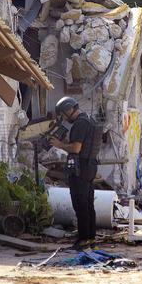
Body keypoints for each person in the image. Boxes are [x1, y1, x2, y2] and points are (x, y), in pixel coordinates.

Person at [50, 97, 102, 249]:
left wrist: (59, 144)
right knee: (88, 204)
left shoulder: (79, 124)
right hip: (90, 166)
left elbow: (76, 148)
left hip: (81, 168)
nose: (64, 118)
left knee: (80, 205)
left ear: (68, 110)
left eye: (63, 115)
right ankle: (90, 238)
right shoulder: (89, 121)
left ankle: (83, 239)